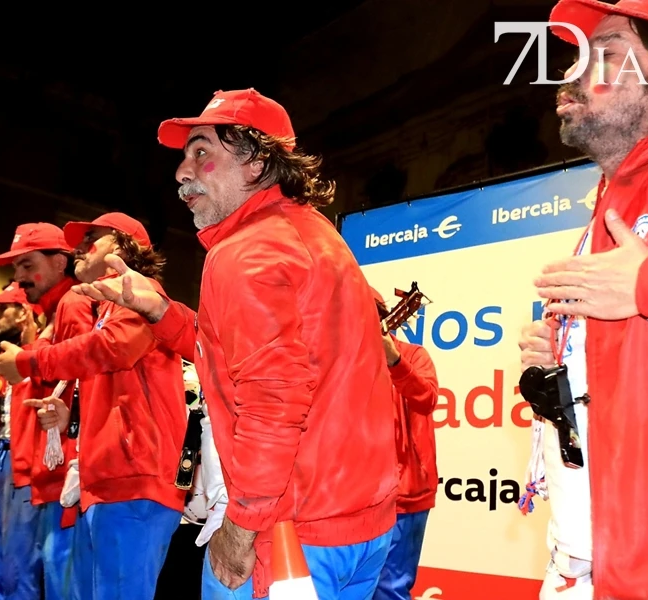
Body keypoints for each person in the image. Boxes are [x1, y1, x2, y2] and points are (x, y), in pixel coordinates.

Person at [76, 89, 399, 599]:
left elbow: (274, 399)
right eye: (185, 156)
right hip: (359, 524)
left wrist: (241, 526)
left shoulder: (245, 250)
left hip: (288, 533)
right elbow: (242, 356)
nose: (182, 172)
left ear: (257, 160)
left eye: (201, 151)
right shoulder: (314, 234)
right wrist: (159, 311)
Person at [521, 2, 648, 598]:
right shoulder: (614, 197)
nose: (573, 73)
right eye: (577, 54)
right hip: (594, 554)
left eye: (606, 53)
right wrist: (566, 361)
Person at [16, 213, 187, 600]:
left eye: (92, 237)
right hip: (112, 478)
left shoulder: (140, 293)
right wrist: (70, 419)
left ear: (123, 246)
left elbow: (110, 349)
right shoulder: (106, 309)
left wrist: (31, 360)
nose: (79, 246)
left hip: (134, 478)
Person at [0, 223, 94, 599]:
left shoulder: (73, 303)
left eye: (27, 264)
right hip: (50, 467)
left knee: (58, 576)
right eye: (15, 267)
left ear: (61, 262)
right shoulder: (53, 312)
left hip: (64, 468)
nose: (18, 277)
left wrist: (27, 361)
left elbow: (89, 366)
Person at [0, 283, 41, 600]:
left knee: (18, 558)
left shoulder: (44, 355)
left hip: (25, 463)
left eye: (3, 308)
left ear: (24, 313)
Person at [371, 288, 439, 600]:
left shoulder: (413, 355)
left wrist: (394, 361)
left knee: (391, 589)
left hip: (405, 495)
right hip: (356, 496)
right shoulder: (345, 363)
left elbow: (426, 400)